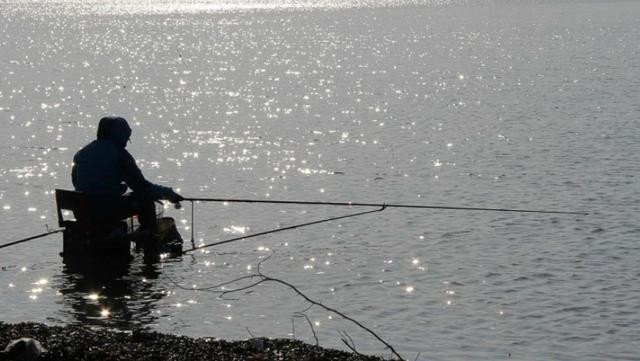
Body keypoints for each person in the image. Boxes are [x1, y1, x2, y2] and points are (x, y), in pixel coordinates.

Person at [71, 116, 183, 233]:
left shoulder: (82, 153)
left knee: (131, 196)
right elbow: (142, 187)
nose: (126, 142)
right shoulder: (120, 156)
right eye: (126, 138)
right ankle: (150, 240)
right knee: (144, 199)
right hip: (106, 211)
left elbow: (75, 182)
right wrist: (168, 194)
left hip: (82, 211)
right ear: (120, 135)